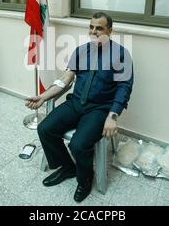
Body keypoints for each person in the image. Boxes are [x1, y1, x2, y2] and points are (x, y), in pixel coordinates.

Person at [25, 12, 134, 202]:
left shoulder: (121, 54)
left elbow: (124, 87)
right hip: (76, 102)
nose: (94, 31)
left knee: (79, 144)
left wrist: (113, 115)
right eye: (91, 27)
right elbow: (66, 79)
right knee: (45, 128)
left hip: (100, 108)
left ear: (110, 31)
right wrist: (43, 96)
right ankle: (68, 167)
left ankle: (85, 179)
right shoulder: (81, 50)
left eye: (99, 28)